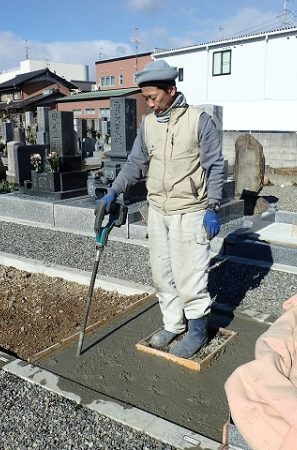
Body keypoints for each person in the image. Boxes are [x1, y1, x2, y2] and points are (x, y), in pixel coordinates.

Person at [96, 59, 225, 358]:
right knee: (162, 273)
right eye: (145, 100)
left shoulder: (198, 121)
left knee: (189, 275)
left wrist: (213, 206)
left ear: (171, 89)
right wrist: (114, 190)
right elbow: (135, 163)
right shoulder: (149, 125)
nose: (150, 104)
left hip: (190, 211)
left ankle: (196, 331)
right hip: (158, 210)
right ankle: (173, 324)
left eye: (153, 98)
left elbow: (215, 166)